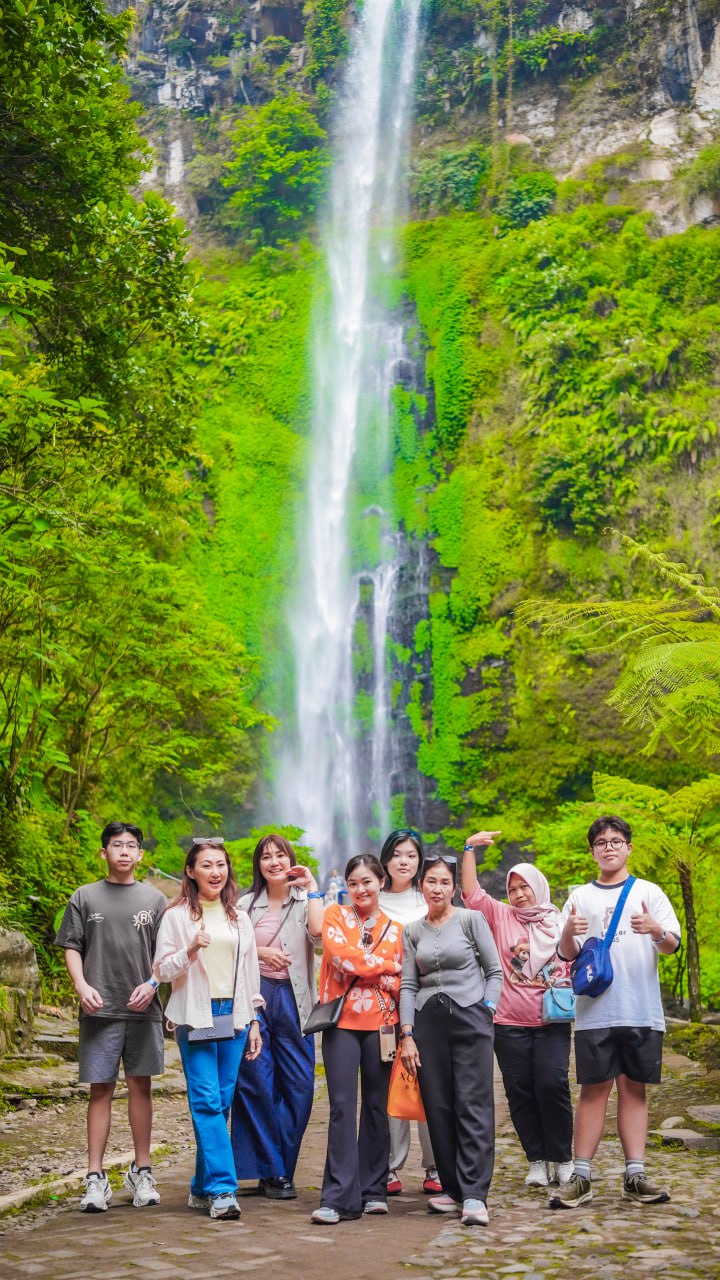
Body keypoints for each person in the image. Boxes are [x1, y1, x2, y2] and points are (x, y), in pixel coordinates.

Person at [549, 815, 681, 1210]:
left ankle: (634, 1174)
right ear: (592, 851)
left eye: (616, 840)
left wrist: (656, 929)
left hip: (640, 1009)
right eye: (601, 842)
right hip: (595, 1012)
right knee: (593, 1091)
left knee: (633, 1089)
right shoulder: (578, 897)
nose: (609, 846)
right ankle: (582, 1175)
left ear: (628, 847)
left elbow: (671, 945)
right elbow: (566, 956)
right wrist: (569, 930)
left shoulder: (650, 892)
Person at [56, 821, 167, 1213]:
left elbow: (165, 955)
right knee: (100, 1089)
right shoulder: (84, 897)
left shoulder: (155, 901)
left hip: (143, 1009)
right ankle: (94, 1176)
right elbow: (71, 945)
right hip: (98, 1008)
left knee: (141, 1087)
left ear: (140, 854)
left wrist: (153, 983)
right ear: (103, 852)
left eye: (131, 845)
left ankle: (142, 1170)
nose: (124, 850)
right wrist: (81, 986)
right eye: (116, 844)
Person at [154, 837, 263, 1220]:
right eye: (206, 865)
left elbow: (250, 974)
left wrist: (254, 1021)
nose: (215, 872)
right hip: (195, 1014)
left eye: (221, 865)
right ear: (190, 871)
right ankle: (222, 1190)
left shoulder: (239, 917)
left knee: (222, 1102)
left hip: (233, 1015)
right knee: (205, 1101)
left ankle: (201, 1187)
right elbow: (161, 971)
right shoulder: (177, 916)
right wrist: (189, 950)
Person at [462, 830, 574, 1189]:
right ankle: (537, 1160)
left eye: (525, 887)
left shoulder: (559, 921)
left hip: (551, 1020)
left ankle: (563, 1157)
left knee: (552, 1083)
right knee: (519, 1088)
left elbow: (574, 959)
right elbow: (471, 894)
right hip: (507, 1022)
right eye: (513, 889)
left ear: (538, 887)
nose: (519, 894)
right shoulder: (500, 915)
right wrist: (469, 848)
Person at [399, 853, 503, 1228]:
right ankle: (454, 1188)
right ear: (421, 886)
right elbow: (409, 985)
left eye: (444, 882)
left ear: (454, 887)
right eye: (431, 881)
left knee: (473, 1103)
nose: (437, 888)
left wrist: (486, 1008)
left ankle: (475, 1193)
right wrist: (406, 1033)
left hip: (470, 1018)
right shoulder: (411, 931)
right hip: (428, 1024)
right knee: (438, 1105)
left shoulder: (471, 920)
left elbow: (495, 971)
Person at [310, 854, 402, 1225]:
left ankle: (373, 1189)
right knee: (342, 1107)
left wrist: (385, 971)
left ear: (381, 882)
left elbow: (401, 983)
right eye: (353, 883)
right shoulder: (335, 915)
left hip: (383, 1026)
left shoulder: (396, 929)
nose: (360, 889)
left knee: (378, 1107)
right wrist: (387, 966)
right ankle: (338, 1196)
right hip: (342, 1024)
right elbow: (338, 957)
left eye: (367, 881)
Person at [231, 834, 323, 1199]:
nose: (273, 862)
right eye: (266, 856)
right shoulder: (243, 905)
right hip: (255, 1000)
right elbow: (233, 950)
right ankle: (273, 1172)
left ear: (291, 860)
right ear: (258, 864)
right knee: (256, 1082)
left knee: (300, 1087)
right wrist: (260, 952)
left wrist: (313, 887)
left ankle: (281, 1166)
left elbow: (318, 935)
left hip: (296, 999)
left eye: (280, 855)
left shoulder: (306, 901)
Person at [378, 827, 441, 1197]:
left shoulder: (429, 897)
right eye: (398, 854)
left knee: (431, 1083)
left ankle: (435, 1165)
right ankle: (389, 1165)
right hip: (384, 1004)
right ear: (386, 858)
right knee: (392, 1082)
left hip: (426, 1002)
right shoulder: (372, 897)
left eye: (412, 855)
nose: (404, 861)